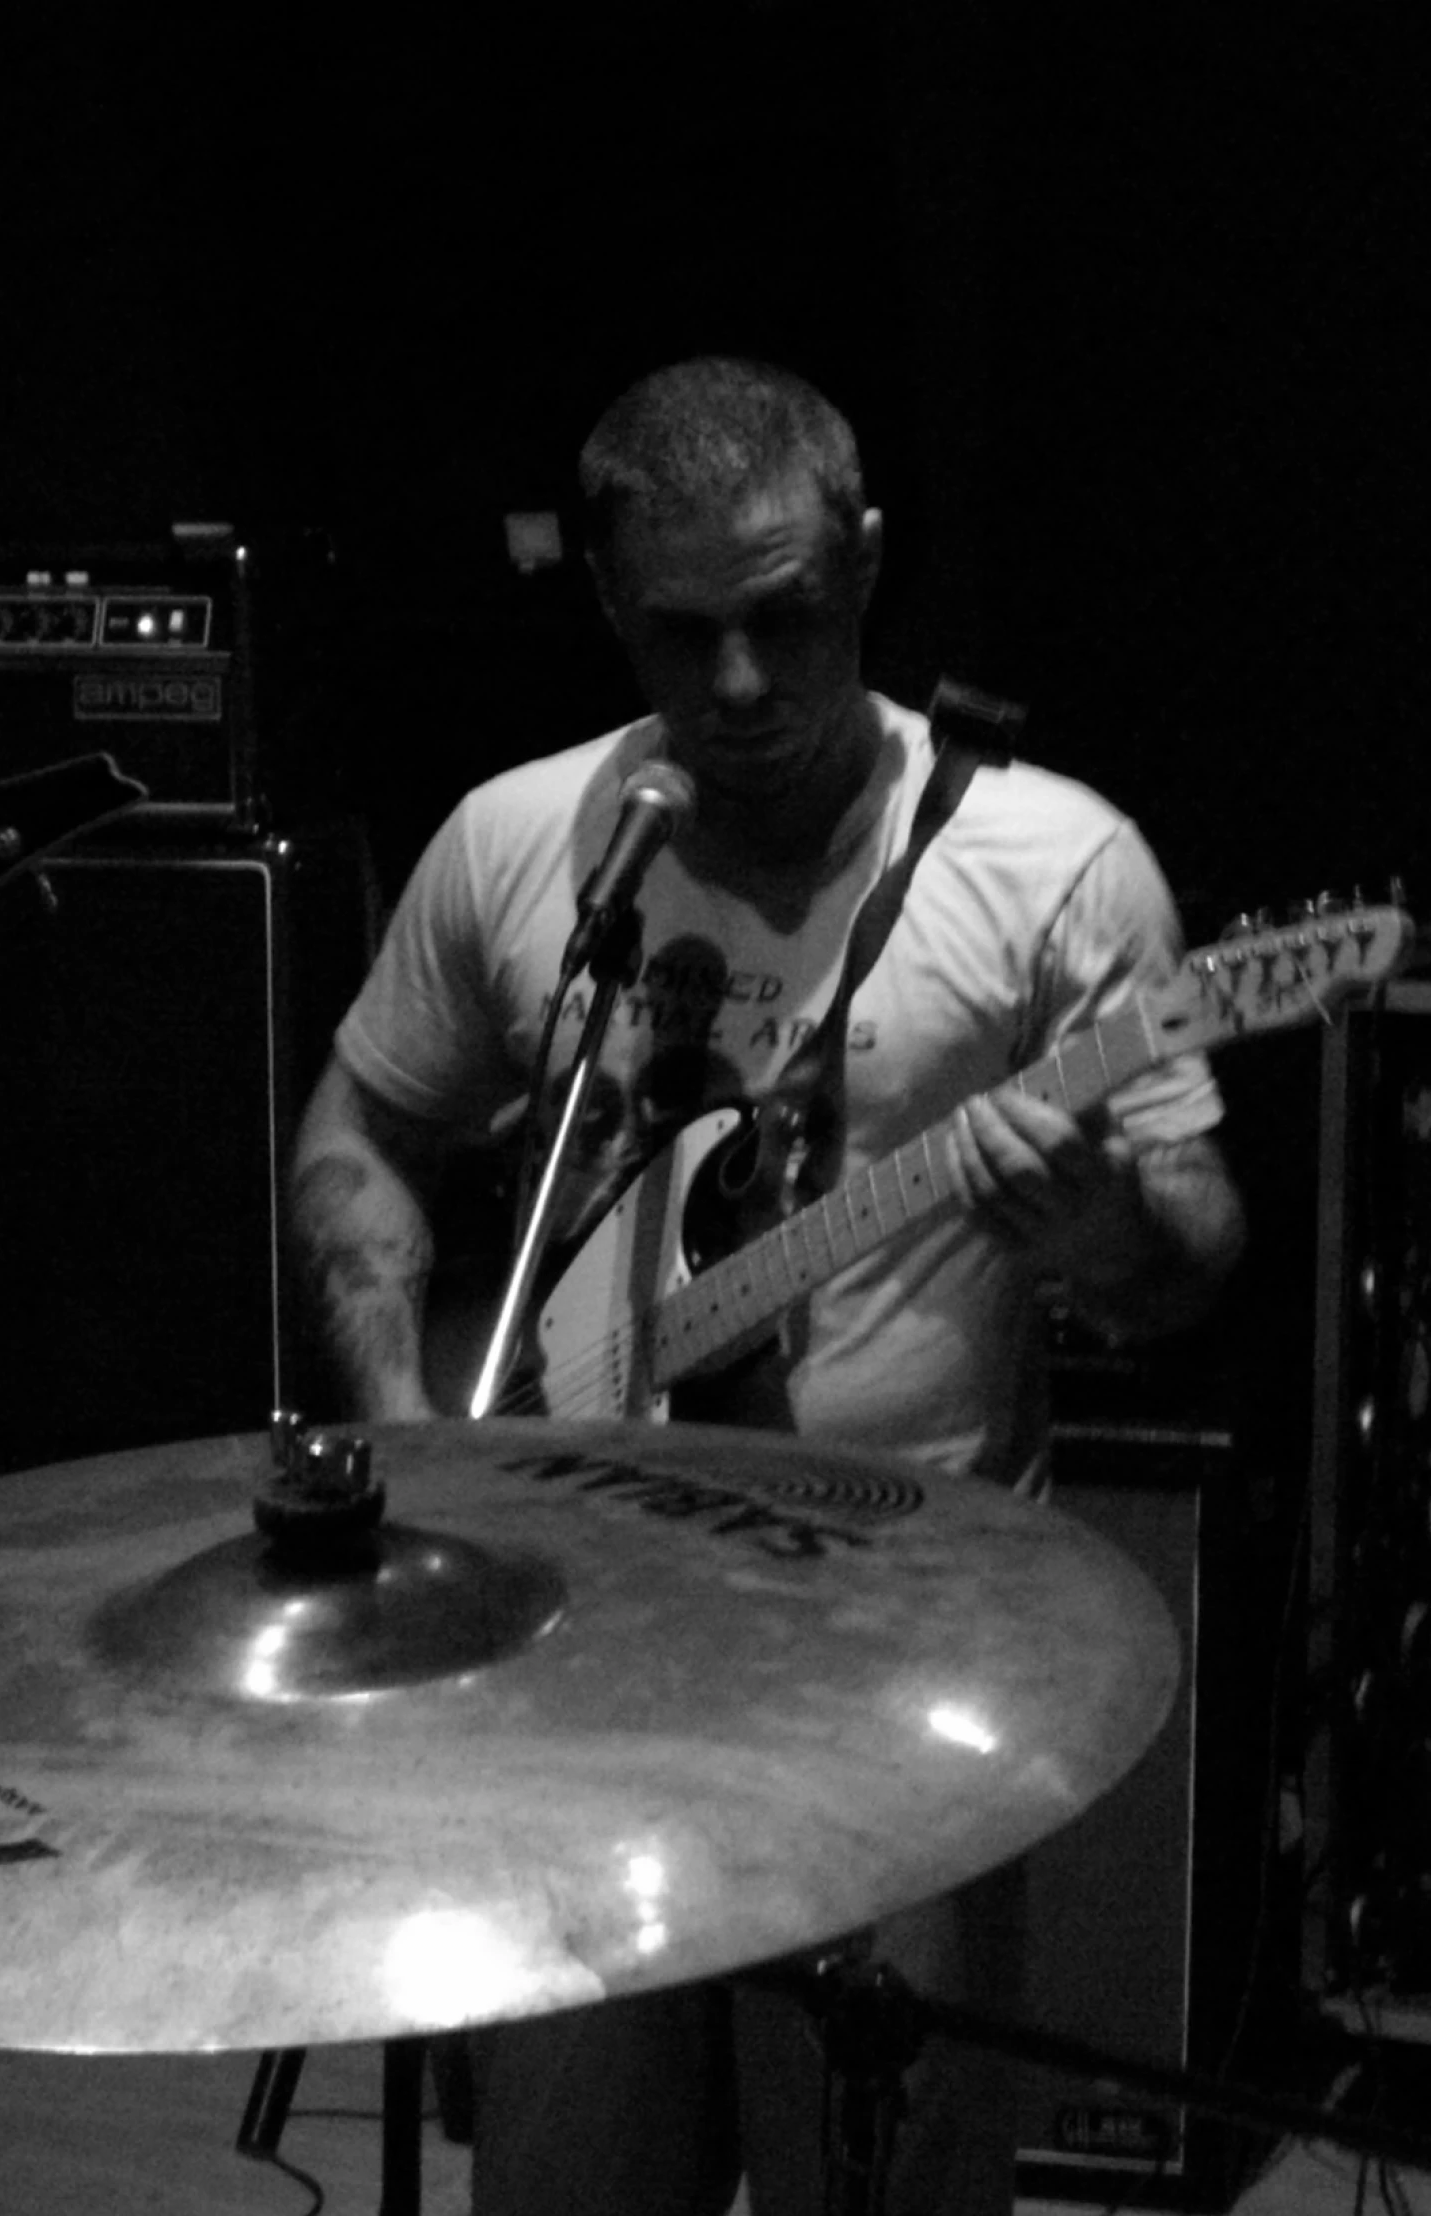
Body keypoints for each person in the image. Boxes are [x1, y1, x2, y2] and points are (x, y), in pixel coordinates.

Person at [290, 355, 1246, 2215]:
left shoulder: (1055, 865)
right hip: (567, 1657)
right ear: (606, 606)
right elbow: (364, 1129)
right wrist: (400, 1411)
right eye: (682, 634)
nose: (735, 687)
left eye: (785, 619)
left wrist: (1104, 1237)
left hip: (891, 1673)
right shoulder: (529, 845)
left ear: (870, 562)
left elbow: (1186, 1254)